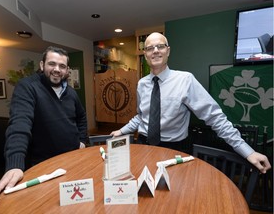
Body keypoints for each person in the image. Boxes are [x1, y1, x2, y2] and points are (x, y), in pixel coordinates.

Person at [111, 32, 271, 174]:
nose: (155, 51)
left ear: (168, 50)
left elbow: (215, 118)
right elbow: (142, 116)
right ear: (145, 54)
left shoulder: (185, 80)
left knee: (174, 197)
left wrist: (248, 151)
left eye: (160, 46)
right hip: (144, 144)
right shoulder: (142, 84)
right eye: (150, 48)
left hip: (174, 149)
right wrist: (122, 130)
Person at [0, 46, 88, 202]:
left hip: (73, 158)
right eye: (52, 64)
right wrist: (15, 164)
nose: (57, 69)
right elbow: (19, 124)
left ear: (67, 70)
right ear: (42, 65)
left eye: (62, 66)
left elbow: (82, 117)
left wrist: (83, 140)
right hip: (43, 165)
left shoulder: (71, 92)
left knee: (75, 201)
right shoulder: (27, 87)